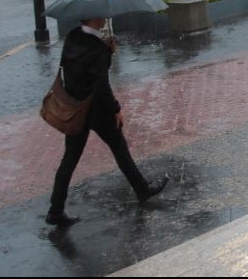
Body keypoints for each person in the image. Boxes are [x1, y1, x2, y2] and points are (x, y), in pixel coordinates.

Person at [46, 17, 168, 227]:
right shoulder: (97, 46)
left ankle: (55, 210)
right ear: (93, 19)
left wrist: (107, 52)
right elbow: (101, 84)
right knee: (119, 148)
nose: (104, 19)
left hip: (76, 108)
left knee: (70, 159)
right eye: (100, 16)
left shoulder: (74, 36)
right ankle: (142, 189)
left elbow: (79, 69)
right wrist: (116, 109)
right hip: (98, 110)